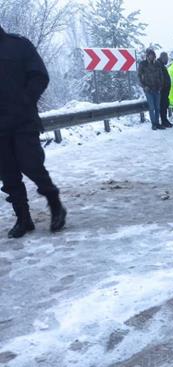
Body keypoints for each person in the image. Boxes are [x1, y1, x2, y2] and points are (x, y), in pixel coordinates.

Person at [0, 25, 66, 238]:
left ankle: (55, 205)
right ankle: (23, 218)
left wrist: (25, 101)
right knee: (8, 175)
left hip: (23, 121)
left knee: (32, 165)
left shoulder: (18, 45)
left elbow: (40, 76)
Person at [138, 49, 164, 131]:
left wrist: (160, 86)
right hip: (148, 89)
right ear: (147, 56)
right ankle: (153, 124)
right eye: (150, 55)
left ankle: (157, 123)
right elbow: (139, 76)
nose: (151, 57)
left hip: (157, 88)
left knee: (157, 107)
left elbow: (161, 76)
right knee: (151, 107)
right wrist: (144, 86)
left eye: (153, 55)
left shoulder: (157, 64)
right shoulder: (143, 64)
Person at [157, 52, 173, 128]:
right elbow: (159, 77)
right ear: (162, 57)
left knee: (165, 104)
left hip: (165, 89)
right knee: (163, 105)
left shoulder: (162, 65)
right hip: (162, 89)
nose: (167, 60)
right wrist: (162, 85)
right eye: (166, 58)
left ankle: (165, 120)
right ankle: (163, 121)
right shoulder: (158, 65)